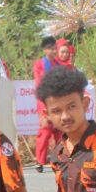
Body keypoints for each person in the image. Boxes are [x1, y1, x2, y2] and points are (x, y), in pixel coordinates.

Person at [32, 37, 65, 170]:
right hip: (45, 103)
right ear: (45, 50)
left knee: (59, 133)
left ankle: (57, 159)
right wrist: (46, 106)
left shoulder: (58, 65)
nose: (54, 51)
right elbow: (40, 84)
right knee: (45, 132)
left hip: (57, 103)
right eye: (51, 49)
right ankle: (40, 161)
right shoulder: (39, 64)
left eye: (55, 48)